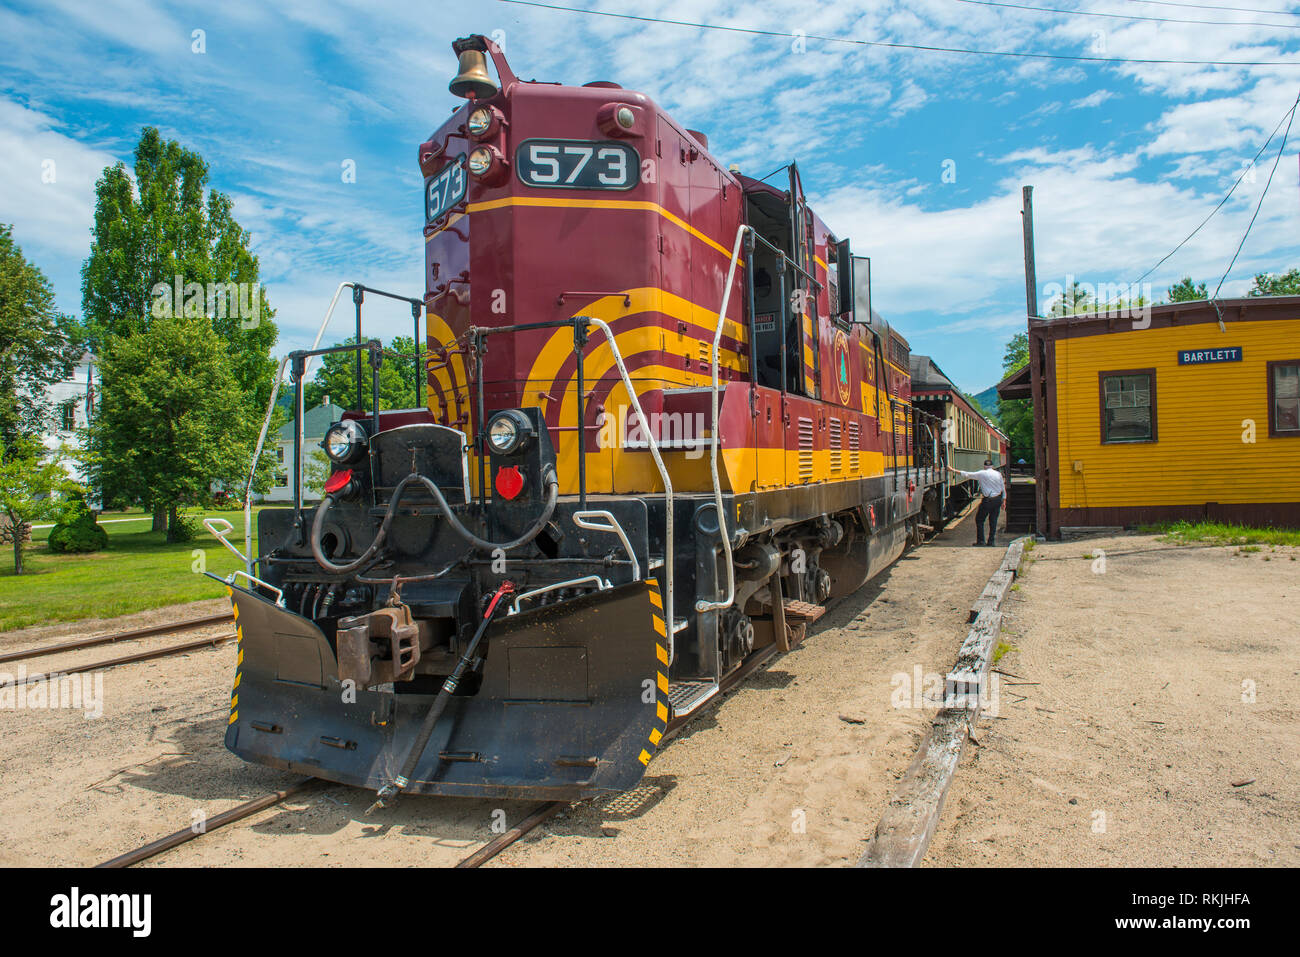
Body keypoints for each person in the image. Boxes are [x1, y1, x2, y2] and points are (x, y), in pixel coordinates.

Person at [948, 459, 1005, 547]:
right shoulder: (998, 474)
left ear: (984, 466)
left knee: (979, 520)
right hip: (997, 499)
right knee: (993, 521)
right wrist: (1004, 501)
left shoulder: (981, 473)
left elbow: (967, 474)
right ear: (992, 466)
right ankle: (991, 541)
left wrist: (952, 470)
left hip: (987, 500)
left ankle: (981, 541)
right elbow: (1003, 488)